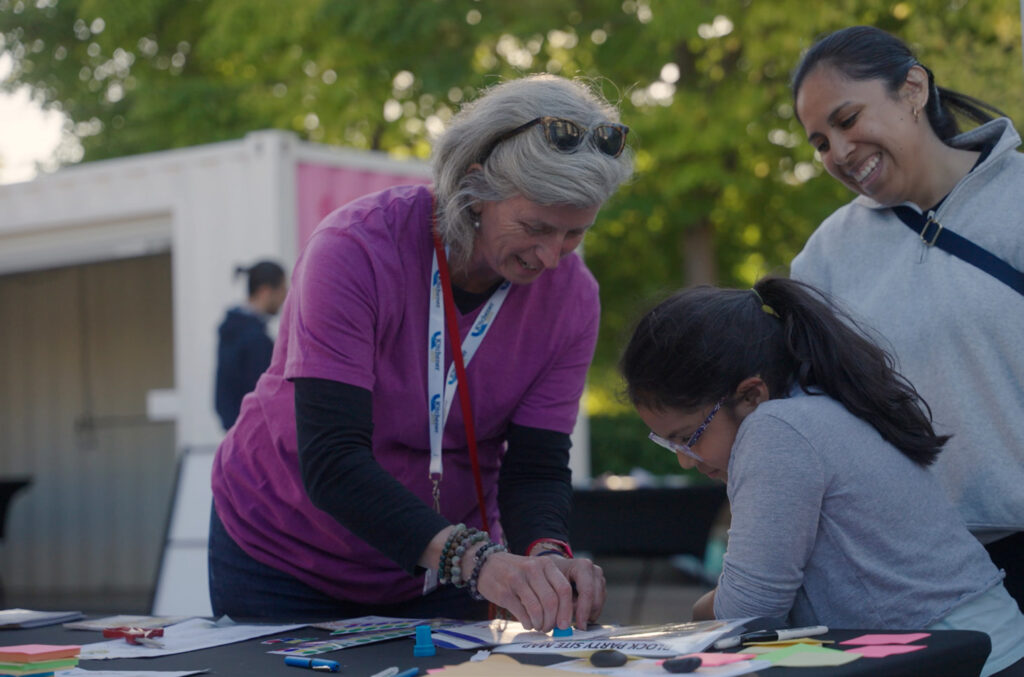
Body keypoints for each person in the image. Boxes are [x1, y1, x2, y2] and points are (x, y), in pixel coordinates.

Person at [209, 74, 633, 629]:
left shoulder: (574, 297)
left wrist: (545, 558)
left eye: (575, 234)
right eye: (535, 227)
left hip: (441, 572)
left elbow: (534, 466)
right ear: (476, 187)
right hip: (285, 553)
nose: (552, 257)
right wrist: (477, 560)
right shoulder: (354, 250)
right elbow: (333, 460)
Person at [619, 277, 1024, 677]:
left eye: (689, 438)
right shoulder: (820, 407)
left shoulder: (776, 429)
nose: (686, 462)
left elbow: (746, 615)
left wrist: (700, 609)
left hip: (959, 658)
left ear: (751, 396)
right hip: (976, 646)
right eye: (669, 444)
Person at [789, 25, 1024, 611]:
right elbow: (807, 419)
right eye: (819, 142)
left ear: (913, 89)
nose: (839, 153)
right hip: (917, 577)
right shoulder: (825, 257)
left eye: (847, 120)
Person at [214, 260, 288, 430]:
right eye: (282, 290)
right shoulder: (256, 339)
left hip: (239, 435)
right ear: (265, 291)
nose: (285, 298)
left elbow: (221, 399)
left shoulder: (231, 331)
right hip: (258, 436)